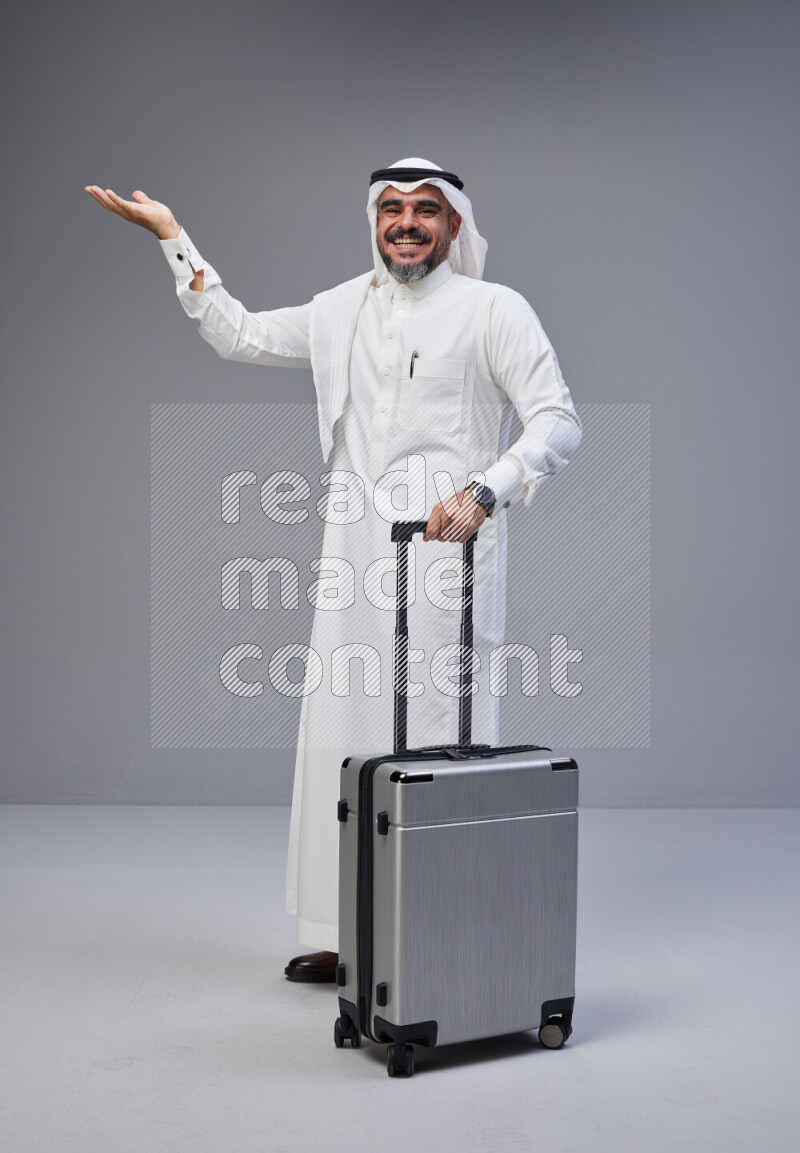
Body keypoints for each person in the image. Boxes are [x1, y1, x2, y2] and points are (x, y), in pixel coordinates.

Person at [85, 157, 582, 983]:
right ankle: (355, 930)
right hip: (353, 548)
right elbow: (237, 332)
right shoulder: (340, 309)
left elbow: (558, 422)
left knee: (436, 735)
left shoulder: (495, 310)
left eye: (427, 209)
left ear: (455, 225)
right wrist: (174, 238)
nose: (408, 223)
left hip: (446, 550)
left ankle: (433, 935)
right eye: (392, 208)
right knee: (342, 730)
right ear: (374, 221)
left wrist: (487, 490)